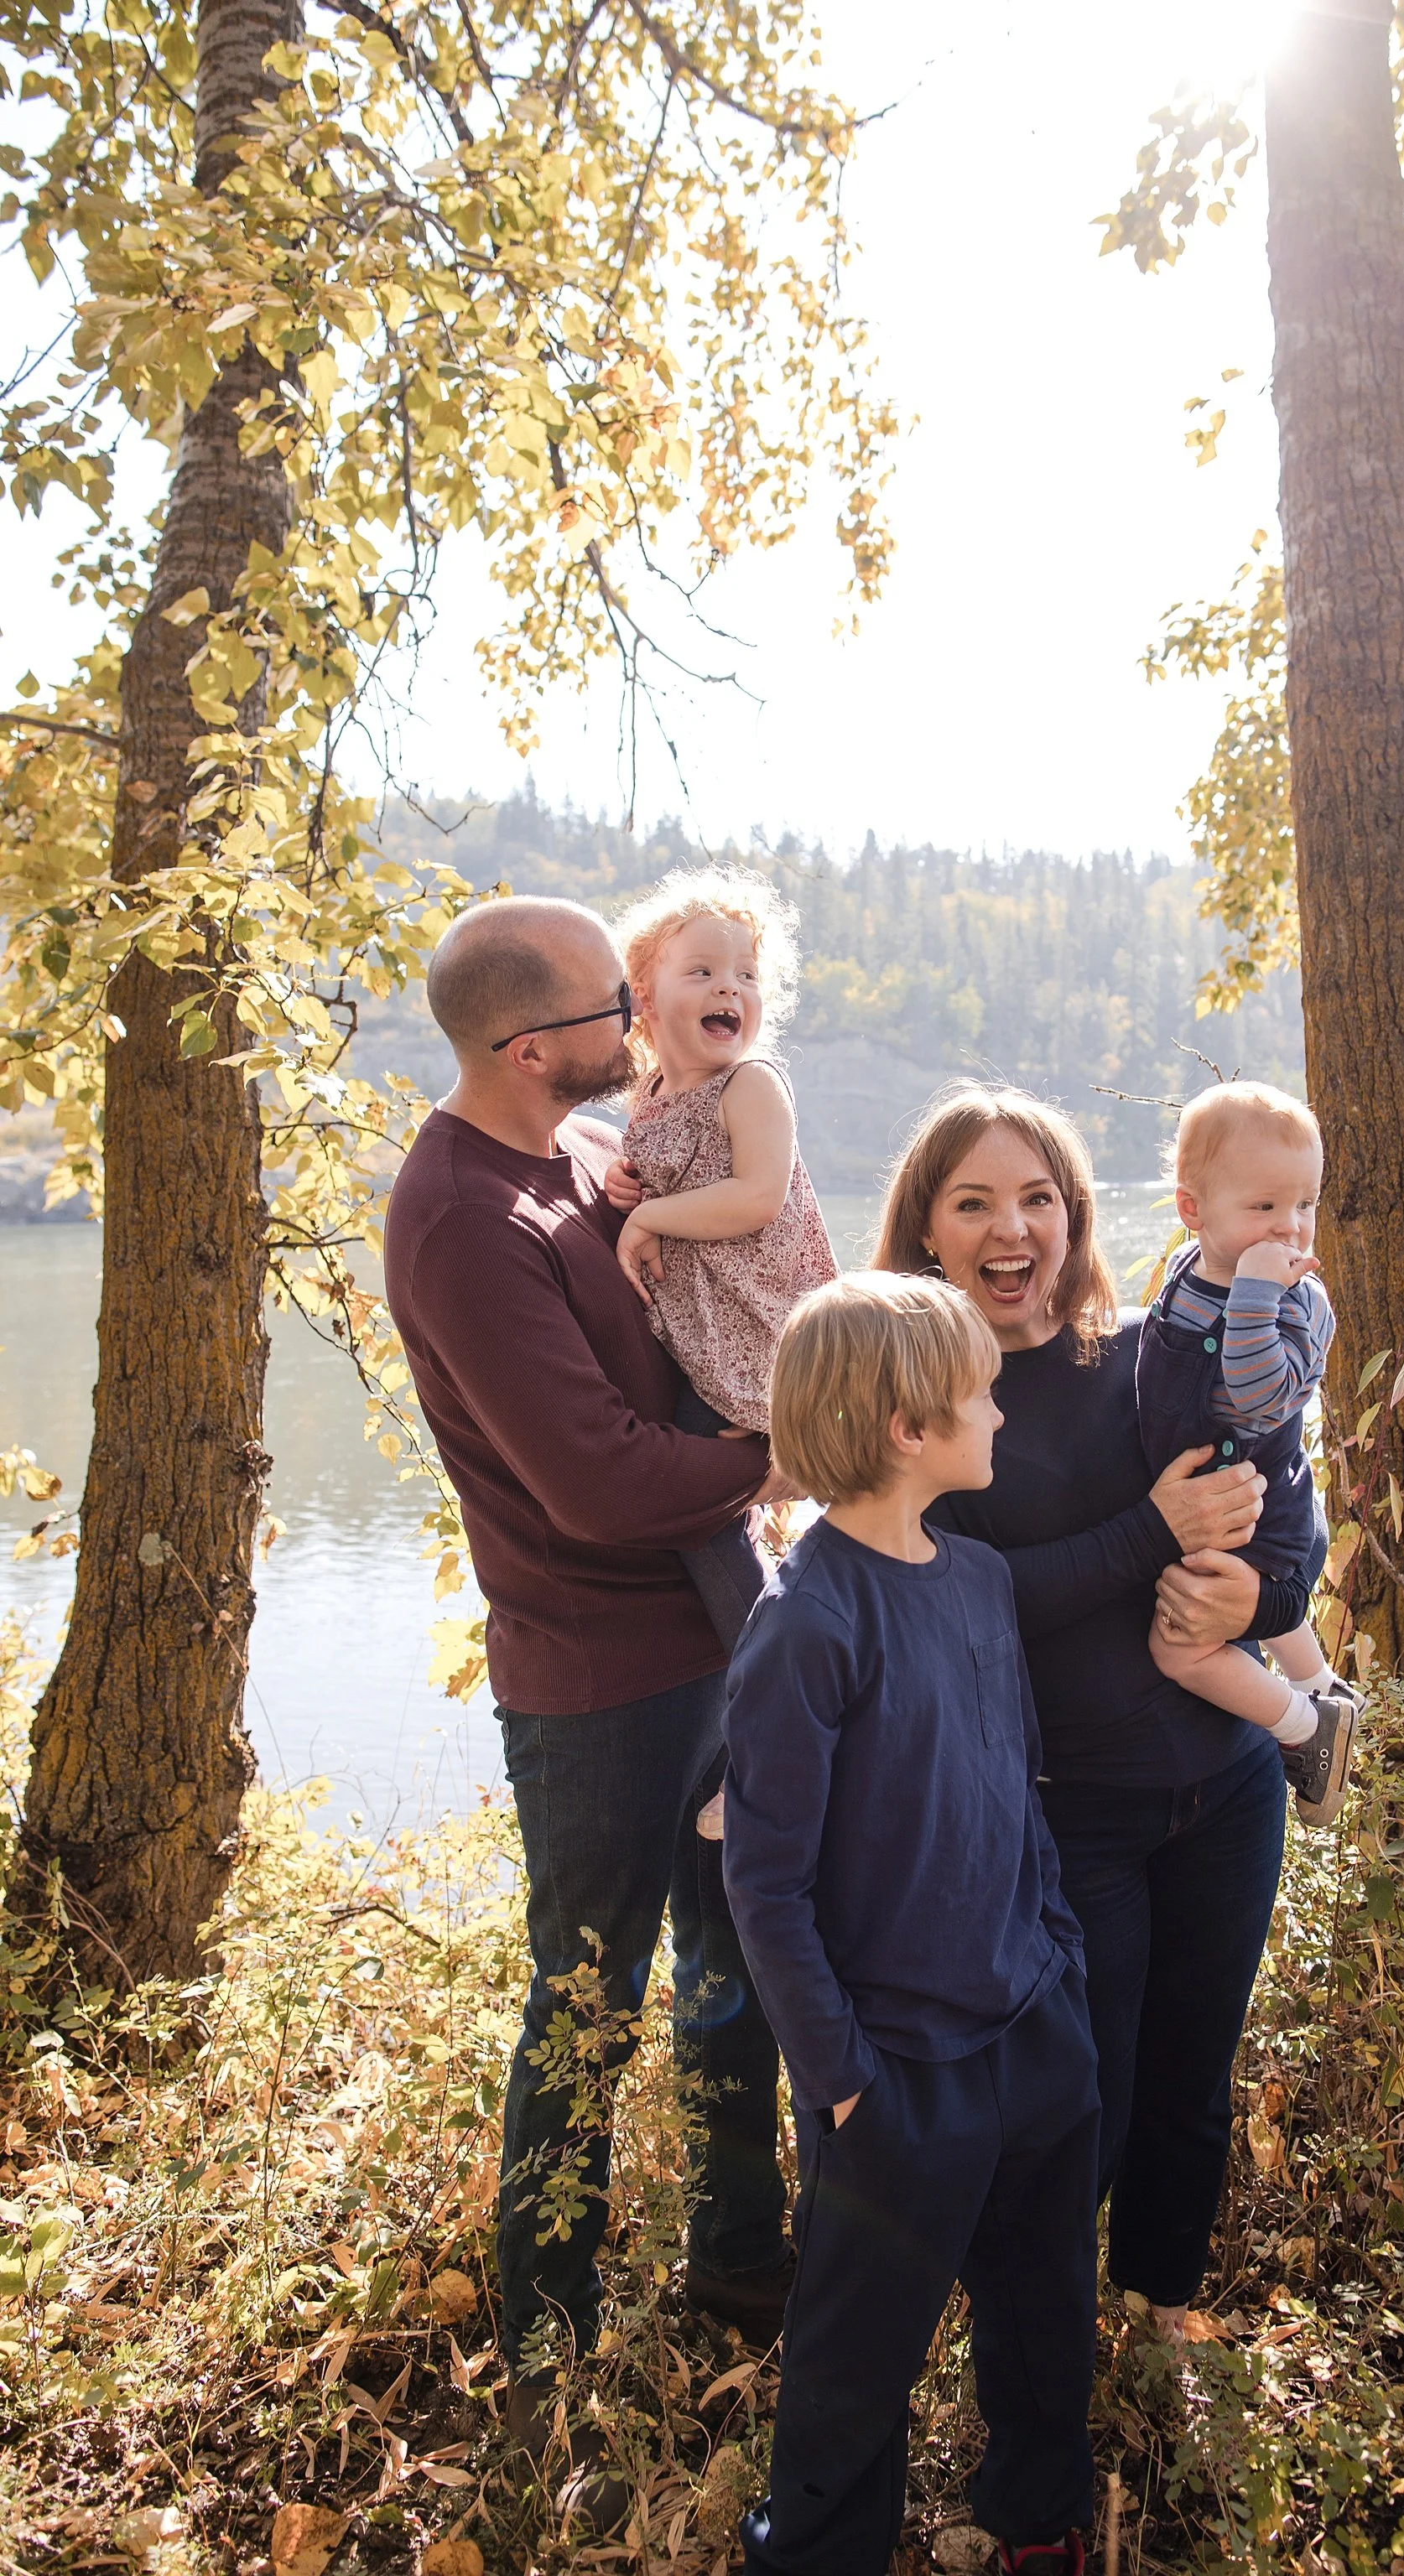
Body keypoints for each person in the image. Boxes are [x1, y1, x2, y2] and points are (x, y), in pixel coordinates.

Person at [382, 895, 793, 2459]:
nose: (636, 1021)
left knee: (740, 1965)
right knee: (586, 2005)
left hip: (717, 1635)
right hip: (600, 1681)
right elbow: (600, 1484)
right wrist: (790, 1442)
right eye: (611, 1003)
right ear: (526, 1042)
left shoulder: (567, 1161)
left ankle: (740, 2268)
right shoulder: (455, 1218)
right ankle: (543, 2347)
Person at [875, 1083, 1313, 2348]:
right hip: (1075, 1817)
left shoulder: (1146, 1360)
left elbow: (1279, 1513)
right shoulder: (920, 1408)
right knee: (1084, 2092)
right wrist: (1149, 1534)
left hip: (1224, 1788)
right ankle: (1043, 2337)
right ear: (926, 1230)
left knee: (1193, 2070)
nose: (1011, 1230)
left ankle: (1161, 2307)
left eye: (1038, 1199)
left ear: (1073, 1218)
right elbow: (959, 1610)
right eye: (974, 1204)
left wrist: (1257, 1587)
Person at [724, 1272, 1101, 2576]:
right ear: (905, 1429)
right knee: (851, 2369)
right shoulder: (807, 1624)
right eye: (982, 1395)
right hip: (895, 2082)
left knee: (1048, 2317)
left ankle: (1039, 2524)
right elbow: (764, 1888)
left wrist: (1056, 1959)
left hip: (1033, 2033)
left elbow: (1017, 1785)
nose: (1003, 1414)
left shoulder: (981, 1580)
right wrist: (841, 2087)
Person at [602, 868, 837, 1841]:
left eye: (744, 974)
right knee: (711, 1519)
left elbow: (752, 1197)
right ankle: (781, 1706)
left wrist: (650, 1211)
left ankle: (778, 1722)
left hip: (765, 1330)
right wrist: (627, 1183)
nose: (729, 990)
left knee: (710, 1514)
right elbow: (645, 1174)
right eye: (701, 971)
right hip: (707, 1345)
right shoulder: (650, 1097)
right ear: (644, 1000)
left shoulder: (752, 1086)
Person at [1141, 1083, 1360, 1828]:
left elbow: (1259, 1396)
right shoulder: (1187, 1272)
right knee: (1249, 1613)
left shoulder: (1299, 1302)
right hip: (1215, 1504)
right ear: (1193, 1213)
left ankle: (1305, 1727)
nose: (1290, 1228)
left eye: (1304, 1204)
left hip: (1261, 1511)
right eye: (1264, 1208)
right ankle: (1326, 1684)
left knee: (1180, 1648)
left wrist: (1259, 1295)